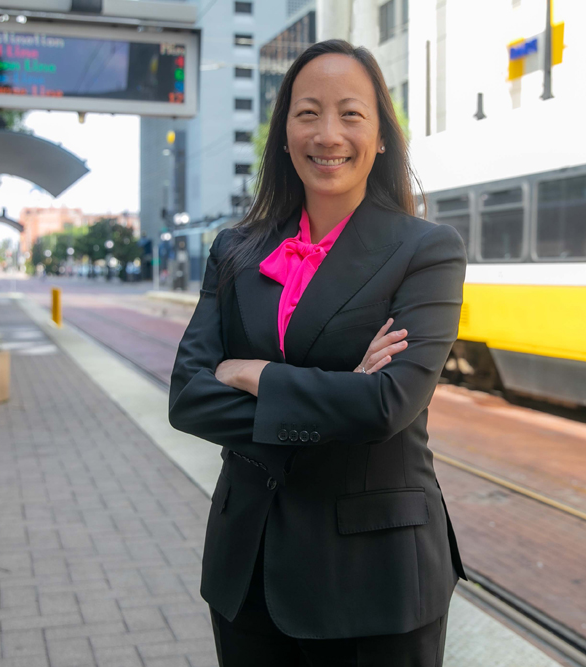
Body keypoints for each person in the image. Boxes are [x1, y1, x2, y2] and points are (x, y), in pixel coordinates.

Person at [168, 41, 466, 666]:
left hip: (374, 575)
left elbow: (388, 404)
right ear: (283, 135)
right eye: (308, 113)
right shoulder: (236, 248)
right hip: (248, 566)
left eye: (351, 114)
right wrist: (337, 396)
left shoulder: (427, 251)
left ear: (381, 136)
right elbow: (189, 397)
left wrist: (257, 374)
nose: (328, 134)